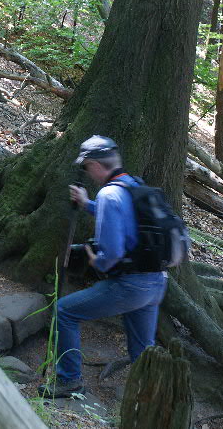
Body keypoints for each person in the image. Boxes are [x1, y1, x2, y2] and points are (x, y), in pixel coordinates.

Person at [38, 135, 168, 399]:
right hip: (156, 283)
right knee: (143, 348)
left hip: (130, 285)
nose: (87, 173)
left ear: (95, 165)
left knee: (64, 311)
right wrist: (87, 205)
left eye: (86, 167)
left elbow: (112, 254)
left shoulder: (109, 193)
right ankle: (153, 401)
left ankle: (69, 380)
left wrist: (94, 259)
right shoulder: (133, 185)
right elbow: (126, 221)